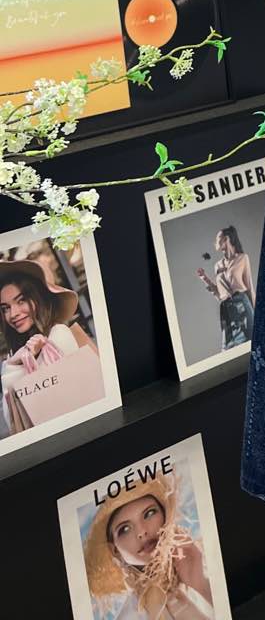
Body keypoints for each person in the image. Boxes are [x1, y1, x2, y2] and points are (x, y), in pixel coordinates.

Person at [85, 474, 216, 619]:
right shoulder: (129, 616)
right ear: (115, 550)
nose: (142, 531)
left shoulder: (211, 566)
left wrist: (199, 583)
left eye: (149, 513)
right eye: (125, 529)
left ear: (165, 516)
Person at [0, 257, 99, 435]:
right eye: (5, 308)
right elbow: (13, 420)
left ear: (38, 298)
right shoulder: (15, 355)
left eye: (21, 301)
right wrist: (13, 363)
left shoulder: (58, 335)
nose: (13, 314)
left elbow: (46, 404)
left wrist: (15, 367)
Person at [196, 226, 255, 350]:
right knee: (228, 349)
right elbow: (220, 295)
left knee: (250, 345)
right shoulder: (217, 265)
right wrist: (205, 279)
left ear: (226, 239)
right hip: (226, 310)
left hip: (242, 306)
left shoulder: (243, 258)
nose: (215, 242)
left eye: (218, 238)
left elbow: (250, 288)